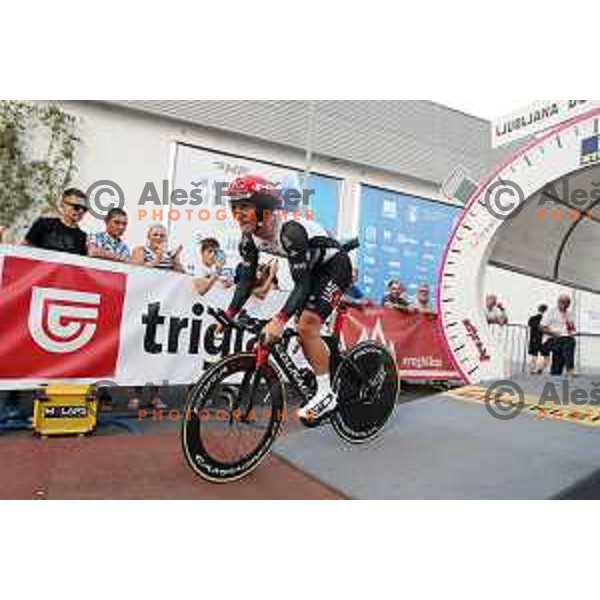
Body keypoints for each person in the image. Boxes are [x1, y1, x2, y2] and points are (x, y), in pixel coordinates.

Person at [225, 174, 353, 421]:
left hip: (335, 267)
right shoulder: (249, 238)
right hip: (311, 270)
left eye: (245, 207)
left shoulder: (290, 231)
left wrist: (279, 319)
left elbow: (303, 284)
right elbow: (246, 281)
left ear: (263, 208)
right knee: (301, 325)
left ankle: (326, 394)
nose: (238, 213)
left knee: (305, 325)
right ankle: (329, 362)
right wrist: (228, 314)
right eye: (234, 207)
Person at [23, 188, 88, 255]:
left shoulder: (83, 237)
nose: (81, 211)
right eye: (76, 207)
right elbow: (24, 250)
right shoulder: (43, 224)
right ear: (63, 205)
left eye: (84, 209)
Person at [541, 294, 577, 377]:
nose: (565, 305)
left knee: (558, 362)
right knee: (569, 341)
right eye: (563, 302)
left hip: (563, 340)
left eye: (567, 303)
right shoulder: (550, 312)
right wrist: (553, 333)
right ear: (558, 302)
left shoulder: (569, 314)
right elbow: (542, 327)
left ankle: (555, 375)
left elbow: (572, 327)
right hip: (551, 339)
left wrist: (572, 330)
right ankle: (570, 368)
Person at [528, 304, 550, 374]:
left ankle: (532, 370)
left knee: (534, 356)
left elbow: (530, 325)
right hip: (544, 340)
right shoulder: (547, 320)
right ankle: (540, 368)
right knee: (547, 357)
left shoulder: (532, 318)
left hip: (534, 339)